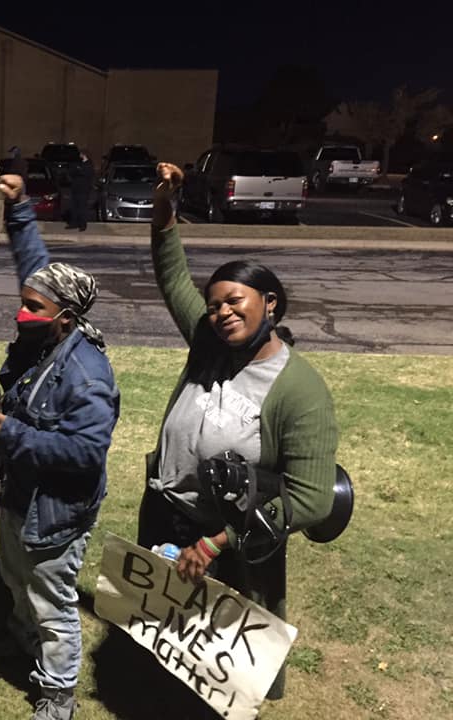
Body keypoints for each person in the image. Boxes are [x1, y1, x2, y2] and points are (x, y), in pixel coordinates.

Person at [139, 162, 338, 705]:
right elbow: (171, 275)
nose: (223, 312)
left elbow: (313, 500)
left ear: (270, 303)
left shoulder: (298, 389)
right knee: (164, 631)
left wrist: (216, 542)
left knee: (225, 663)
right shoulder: (209, 341)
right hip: (166, 511)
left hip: (233, 536)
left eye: (236, 302)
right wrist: (164, 210)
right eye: (215, 305)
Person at [0, 173, 120, 720]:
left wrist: (11, 434)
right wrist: (19, 208)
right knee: (13, 576)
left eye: (35, 308)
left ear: (66, 317)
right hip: (19, 493)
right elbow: (33, 268)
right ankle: (21, 639)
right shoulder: (43, 335)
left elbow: (85, 454)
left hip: (55, 512)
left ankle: (58, 693)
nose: (21, 313)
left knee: (53, 603)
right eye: (24, 303)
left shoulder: (87, 376)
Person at [66, 150, 94, 232]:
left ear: (84, 154)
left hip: (83, 189)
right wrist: (78, 170)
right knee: (74, 206)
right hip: (75, 188)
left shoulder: (89, 164)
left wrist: (79, 170)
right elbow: (72, 171)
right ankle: (74, 223)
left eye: (81, 154)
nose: (79, 155)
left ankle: (82, 224)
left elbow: (87, 174)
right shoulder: (78, 163)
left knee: (82, 207)